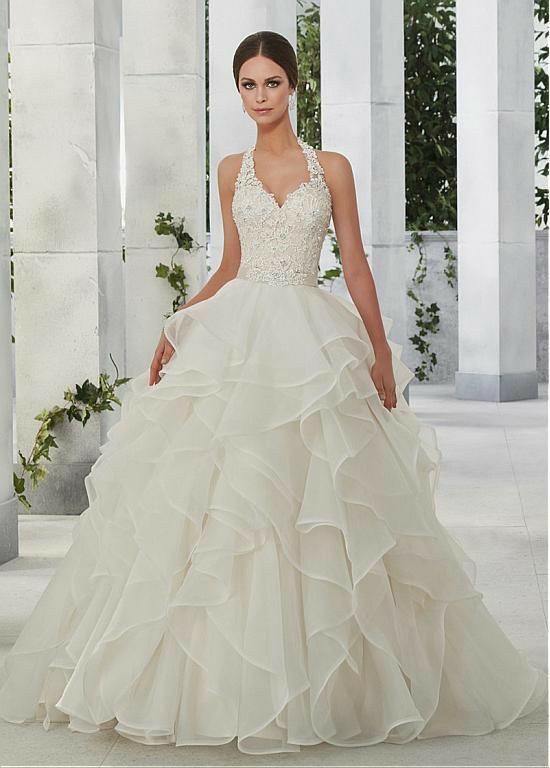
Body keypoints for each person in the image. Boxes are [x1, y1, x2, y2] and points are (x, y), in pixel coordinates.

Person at [0, 30, 546, 757]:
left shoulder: (334, 169)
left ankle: (334, 680)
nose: (260, 97)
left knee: (322, 499)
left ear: (294, 87)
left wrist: (380, 350)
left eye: (272, 84)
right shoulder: (231, 170)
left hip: (311, 335)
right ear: (239, 92)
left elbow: (353, 265)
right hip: (239, 332)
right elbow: (231, 262)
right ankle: (219, 682)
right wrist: (180, 322)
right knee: (229, 505)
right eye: (248, 85)